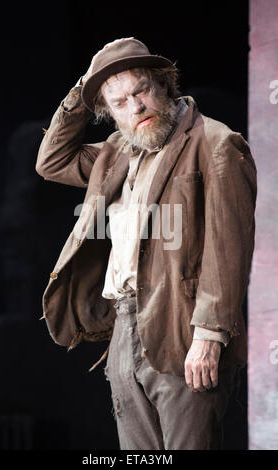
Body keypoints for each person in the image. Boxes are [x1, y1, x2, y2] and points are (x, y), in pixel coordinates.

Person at [35, 38, 257, 450]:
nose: (135, 107)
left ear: (164, 84)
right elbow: (51, 161)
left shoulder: (217, 144)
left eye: (140, 91)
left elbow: (229, 251)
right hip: (124, 326)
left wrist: (210, 336)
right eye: (118, 102)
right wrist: (88, 87)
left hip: (185, 329)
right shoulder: (116, 151)